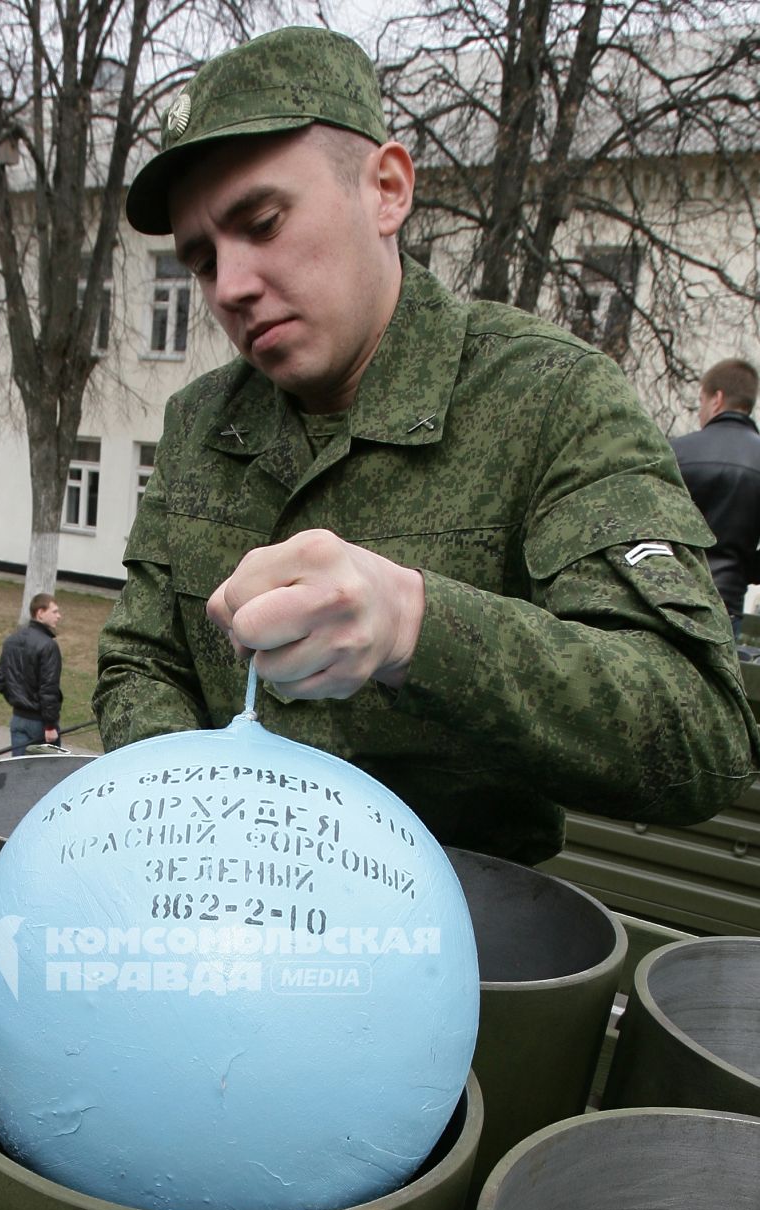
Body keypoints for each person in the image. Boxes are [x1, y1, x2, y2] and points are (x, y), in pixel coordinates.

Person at [94, 27, 757, 864]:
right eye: (199, 260)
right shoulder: (202, 422)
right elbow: (138, 661)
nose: (229, 287)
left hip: (455, 954)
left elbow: (699, 732)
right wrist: (196, 825)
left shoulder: (548, 396)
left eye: (261, 223)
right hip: (223, 929)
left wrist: (416, 628)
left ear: (387, 189)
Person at [671, 358, 760, 645]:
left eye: (701, 400)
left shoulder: (675, 453)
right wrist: (743, 567)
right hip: (726, 608)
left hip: (668, 600)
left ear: (717, 399)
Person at [0, 592, 63, 755]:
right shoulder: (48, 646)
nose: (59, 616)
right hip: (40, 725)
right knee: (46, 774)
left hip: (18, 720)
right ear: (40, 613)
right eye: (54, 611)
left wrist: (18, 700)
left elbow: (1, 682)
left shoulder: (11, 641)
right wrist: (50, 726)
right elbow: (48, 689)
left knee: (19, 772)